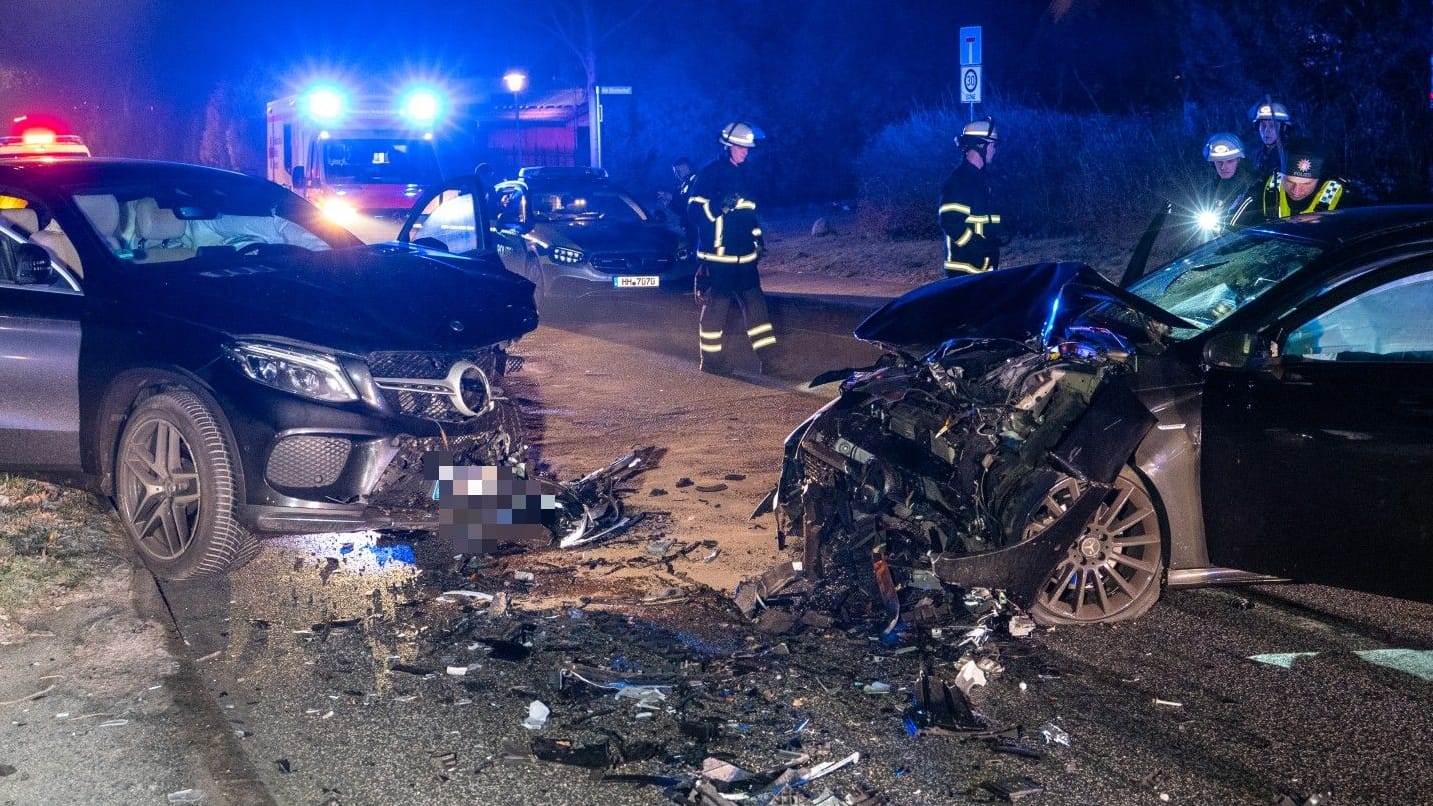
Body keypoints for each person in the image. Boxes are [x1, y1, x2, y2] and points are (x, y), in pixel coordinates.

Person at [686, 122, 775, 375]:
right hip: (718, 258)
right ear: (728, 146)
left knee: (757, 310)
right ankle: (711, 362)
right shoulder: (709, 174)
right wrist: (718, 206)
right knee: (715, 312)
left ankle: (769, 360)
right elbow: (693, 213)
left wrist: (758, 239)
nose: (746, 152)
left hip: (745, 257)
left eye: (748, 148)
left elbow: (749, 212)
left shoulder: (744, 175)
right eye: (741, 147)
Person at [938, 117, 1004, 276]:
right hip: (964, 271)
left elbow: (984, 219)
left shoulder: (983, 181)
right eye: (993, 145)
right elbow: (950, 222)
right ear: (981, 145)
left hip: (985, 269)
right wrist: (977, 247)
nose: (994, 150)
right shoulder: (958, 181)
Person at [1252, 140, 1348, 221]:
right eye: (1290, 182)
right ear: (1281, 175)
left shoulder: (1344, 198)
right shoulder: (1262, 189)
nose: (1296, 191)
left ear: (1320, 179)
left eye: (1307, 184)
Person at [1198, 132, 1256, 237]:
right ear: (1212, 163)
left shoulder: (1253, 185)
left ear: (1239, 160)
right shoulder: (1207, 191)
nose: (1223, 167)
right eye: (1219, 162)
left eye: (1230, 161)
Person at [1248, 98, 1293, 181]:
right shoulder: (1255, 156)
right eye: (1263, 125)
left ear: (1284, 128)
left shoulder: (1292, 156)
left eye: (1272, 125)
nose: (1266, 130)